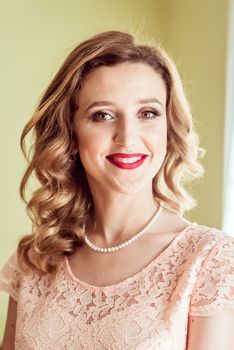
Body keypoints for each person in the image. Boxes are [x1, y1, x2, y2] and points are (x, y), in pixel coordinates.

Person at [0, 30, 234, 350]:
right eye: (103, 115)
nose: (127, 136)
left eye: (147, 113)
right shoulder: (34, 261)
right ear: (70, 133)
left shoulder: (211, 261)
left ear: (169, 127)